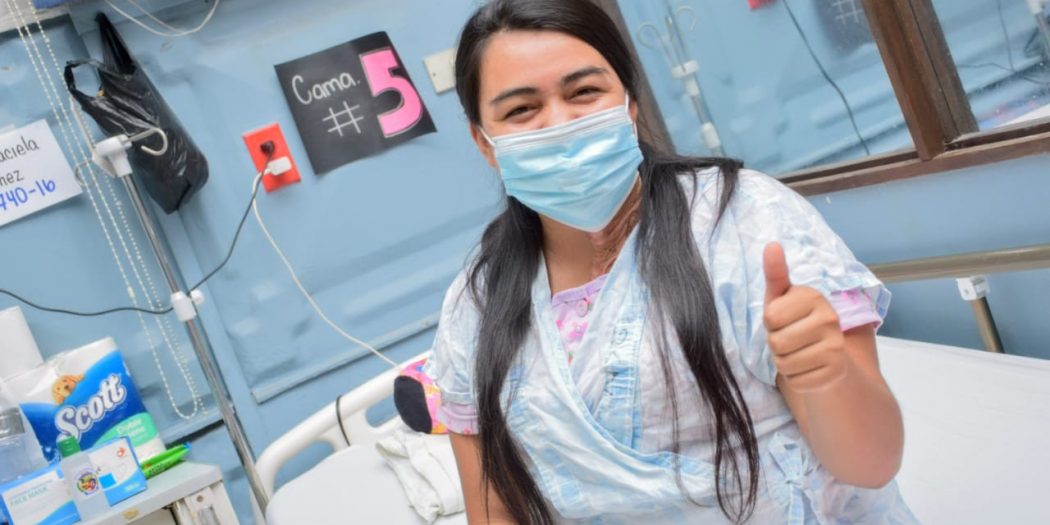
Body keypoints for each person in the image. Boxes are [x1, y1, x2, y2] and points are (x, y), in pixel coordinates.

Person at [424, 0, 918, 523]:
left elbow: (870, 465)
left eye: (584, 92)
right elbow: (494, 510)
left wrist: (827, 375)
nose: (561, 123)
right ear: (485, 142)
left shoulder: (745, 221)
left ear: (629, 105)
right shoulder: (476, 304)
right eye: (522, 109)